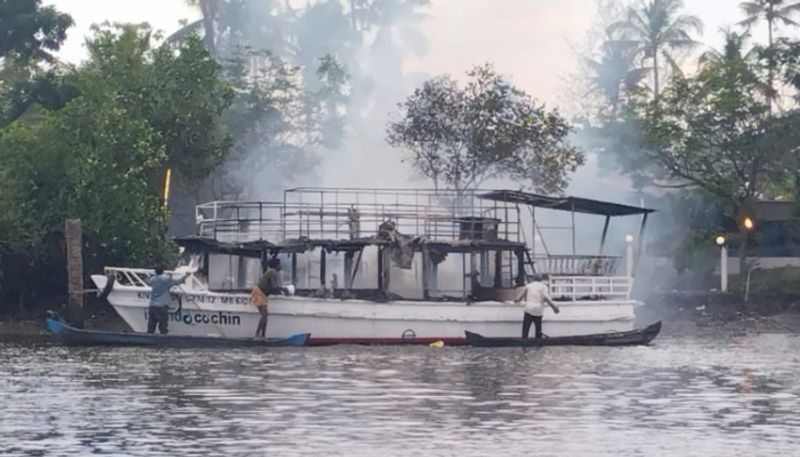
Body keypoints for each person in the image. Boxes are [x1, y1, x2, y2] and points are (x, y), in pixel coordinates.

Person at [251, 258, 290, 339]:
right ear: (277, 265)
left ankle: (263, 335)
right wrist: (283, 289)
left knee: (265, 315)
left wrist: (281, 289)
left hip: (261, 294)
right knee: (264, 315)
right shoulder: (272, 272)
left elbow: (273, 287)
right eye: (280, 264)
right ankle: (257, 334)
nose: (281, 266)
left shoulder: (272, 272)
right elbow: (274, 286)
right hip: (259, 293)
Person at [145, 267, 189, 335]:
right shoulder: (166, 280)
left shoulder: (152, 280)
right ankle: (164, 341)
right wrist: (186, 276)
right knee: (163, 328)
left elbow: (147, 281)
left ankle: (149, 340)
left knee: (151, 327)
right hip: (162, 307)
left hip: (152, 306)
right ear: (163, 272)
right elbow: (178, 282)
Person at [516, 273, 560, 339]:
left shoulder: (528, 286)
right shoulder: (543, 287)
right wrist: (554, 307)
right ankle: (538, 340)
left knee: (525, 329)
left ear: (533, 279)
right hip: (538, 310)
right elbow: (546, 297)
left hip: (528, 309)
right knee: (538, 329)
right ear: (541, 279)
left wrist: (516, 300)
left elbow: (519, 298)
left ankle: (524, 340)